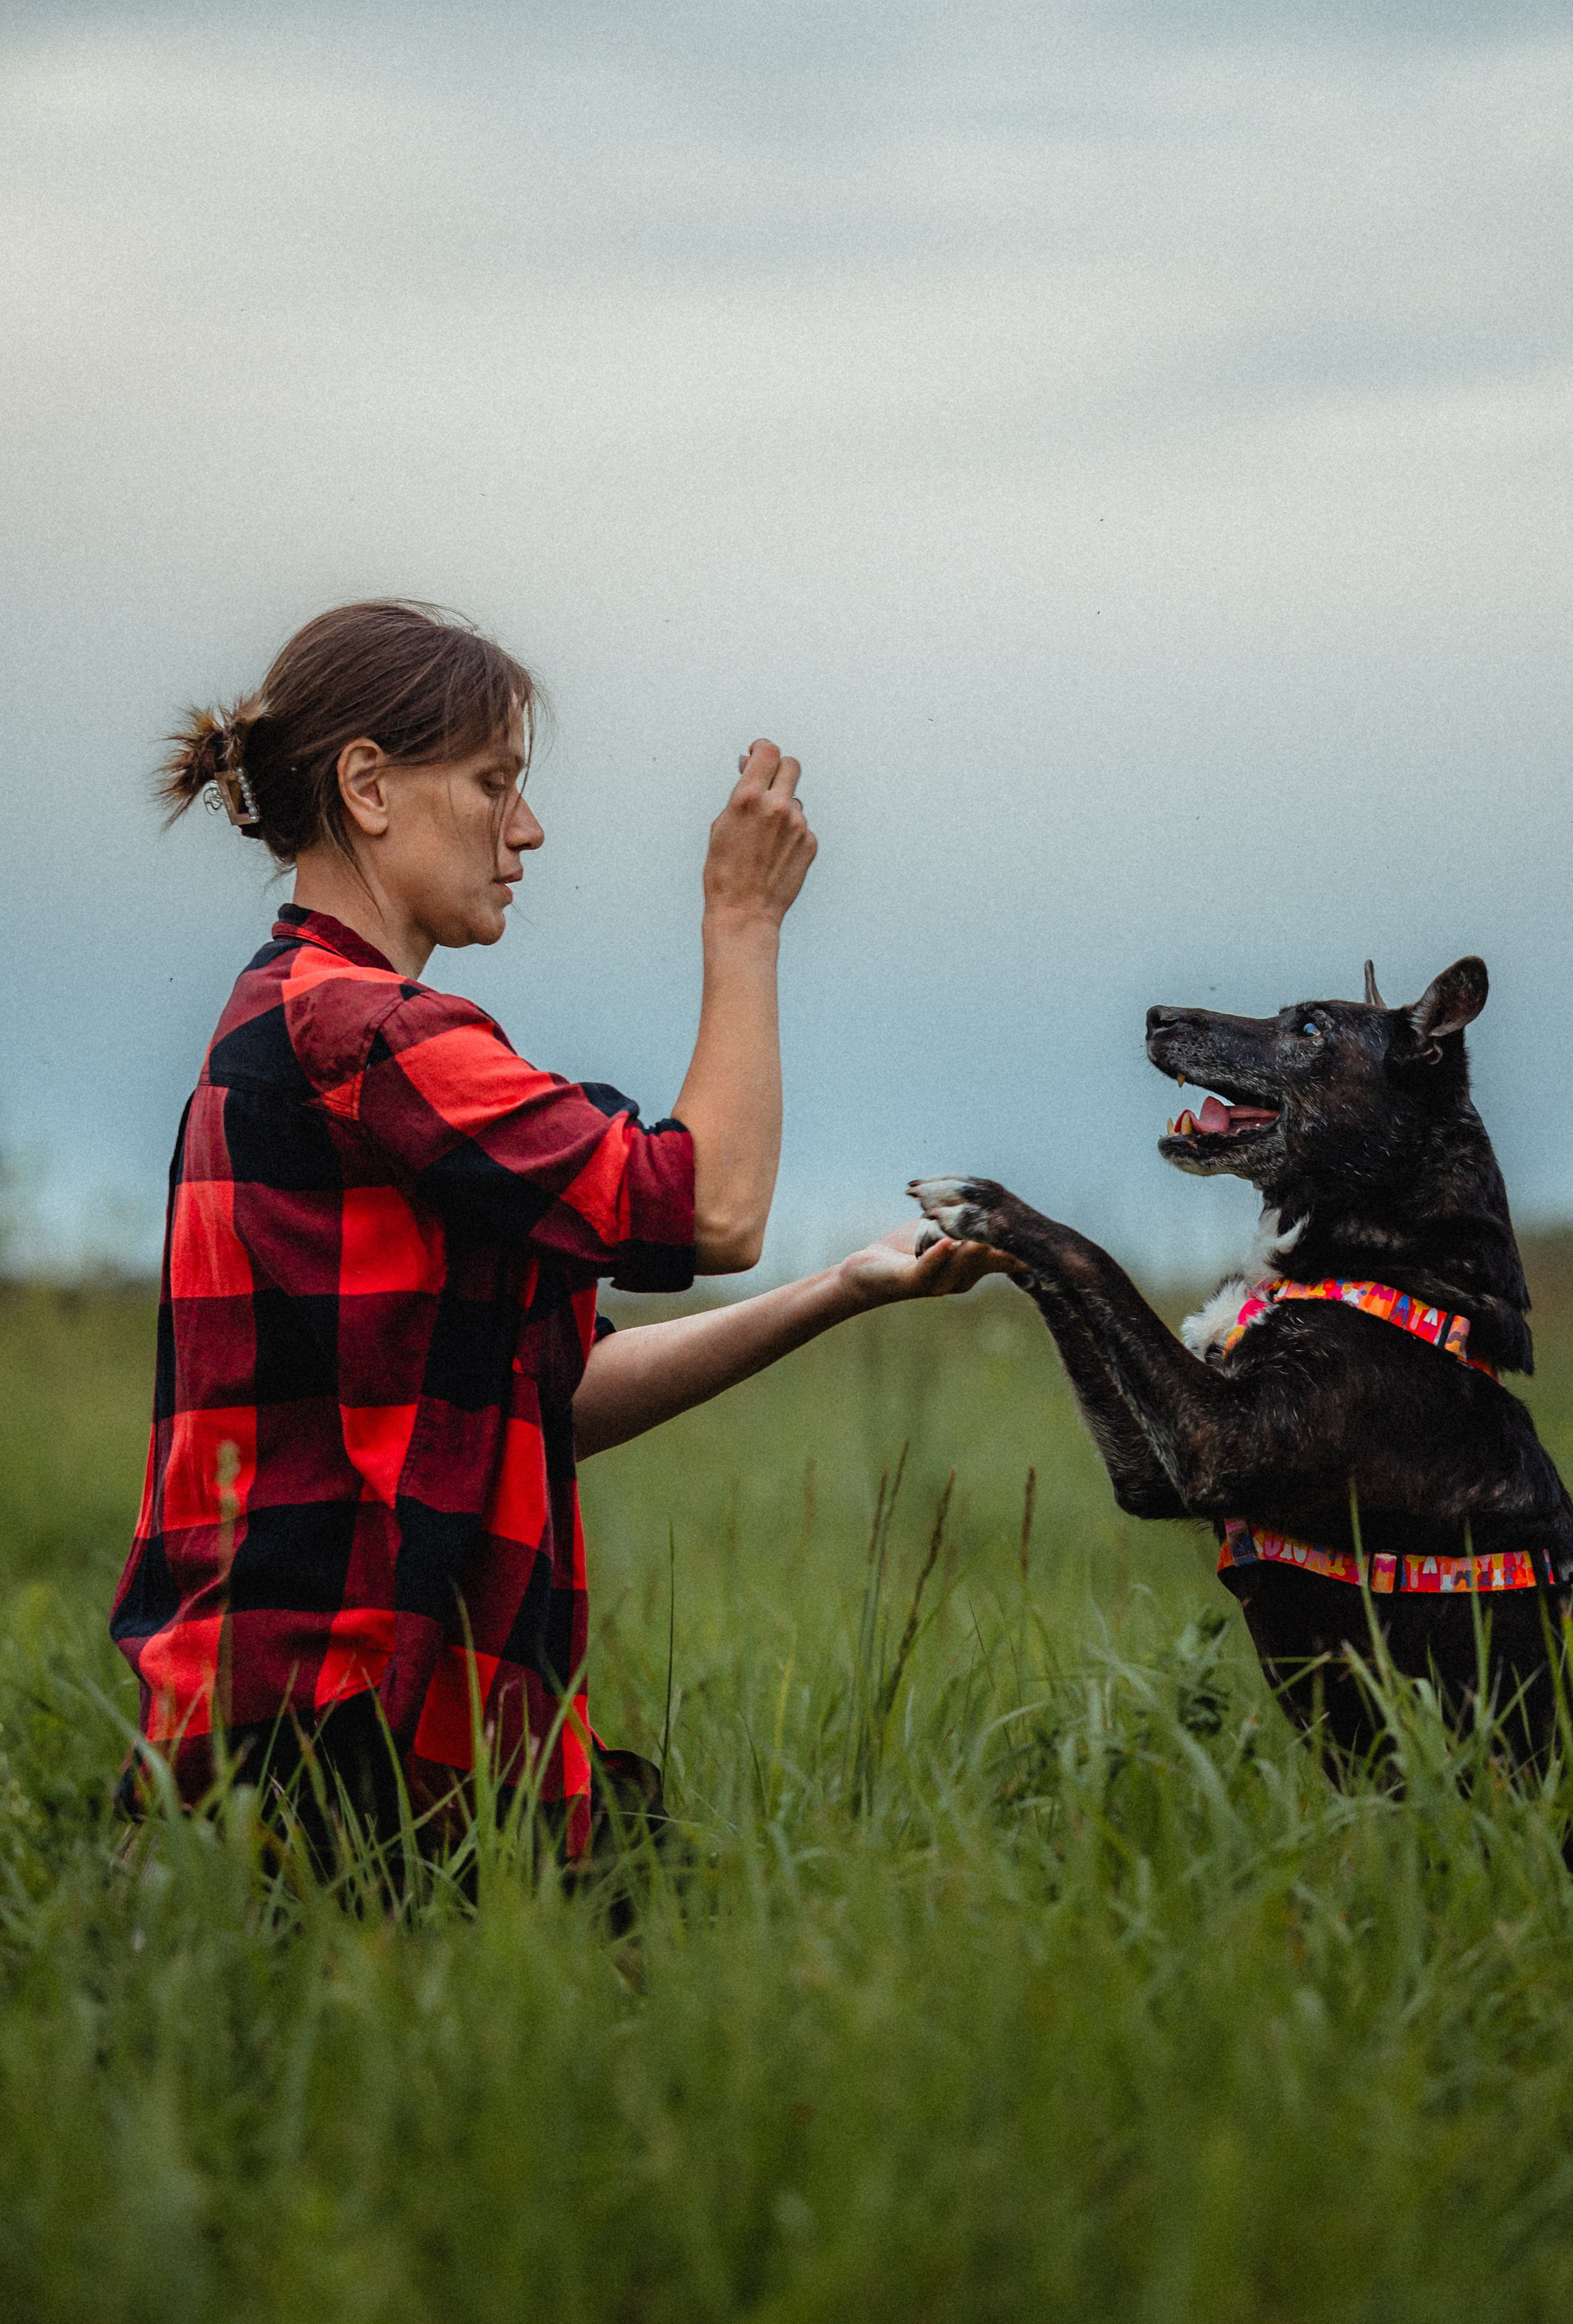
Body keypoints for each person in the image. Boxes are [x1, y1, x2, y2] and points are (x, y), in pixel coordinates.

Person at [111, 598, 1008, 1861]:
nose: (525, 830)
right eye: (493, 784)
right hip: (358, 1738)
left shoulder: (290, 1029)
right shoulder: (368, 1036)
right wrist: (743, 922)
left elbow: (544, 1400)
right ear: (368, 786)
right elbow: (711, 1208)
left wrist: (843, 1291)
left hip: (346, 1739)